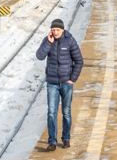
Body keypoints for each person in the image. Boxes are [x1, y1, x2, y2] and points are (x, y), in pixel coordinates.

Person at [35, 17, 82, 152]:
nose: (55, 32)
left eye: (58, 30)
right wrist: (49, 43)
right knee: (51, 112)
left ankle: (66, 138)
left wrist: (72, 79)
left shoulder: (70, 41)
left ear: (62, 30)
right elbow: (39, 56)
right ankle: (52, 141)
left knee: (66, 111)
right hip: (52, 83)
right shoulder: (47, 40)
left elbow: (79, 61)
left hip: (66, 83)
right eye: (53, 30)